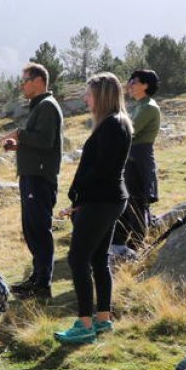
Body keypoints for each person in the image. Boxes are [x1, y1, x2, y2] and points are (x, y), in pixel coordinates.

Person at [54, 73, 132, 345]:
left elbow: (100, 171)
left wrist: (79, 198)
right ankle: (103, 319)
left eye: (89, 94)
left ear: (101, 96)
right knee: (99, 259)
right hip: (107, 200)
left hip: (100, 201)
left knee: (78, 260)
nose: (85, 99)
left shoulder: (112, 126)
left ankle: (85, 323)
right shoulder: (117, 124)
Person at [1, 63, 64, 300]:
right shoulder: (40, 106)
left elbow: (46, 141)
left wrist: (19, 134)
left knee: (39, 228)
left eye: (26, 80)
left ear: (39, 81)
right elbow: (38, 142)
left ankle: (43, 283)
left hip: (39, 178)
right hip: (32, 175)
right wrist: (19, 145)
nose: (22, 85)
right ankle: (37, 278)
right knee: (31, 229)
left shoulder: (47, 106)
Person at [112, 69, 162, 254]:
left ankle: (136, 247)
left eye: (134, 81)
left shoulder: (149, 107)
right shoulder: (141, 105)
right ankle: (121, 242)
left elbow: (129, 132)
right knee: (127, 202)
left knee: (137, 204)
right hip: (131, 158)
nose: (129, 85)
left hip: (138, 159)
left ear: (145, 85)